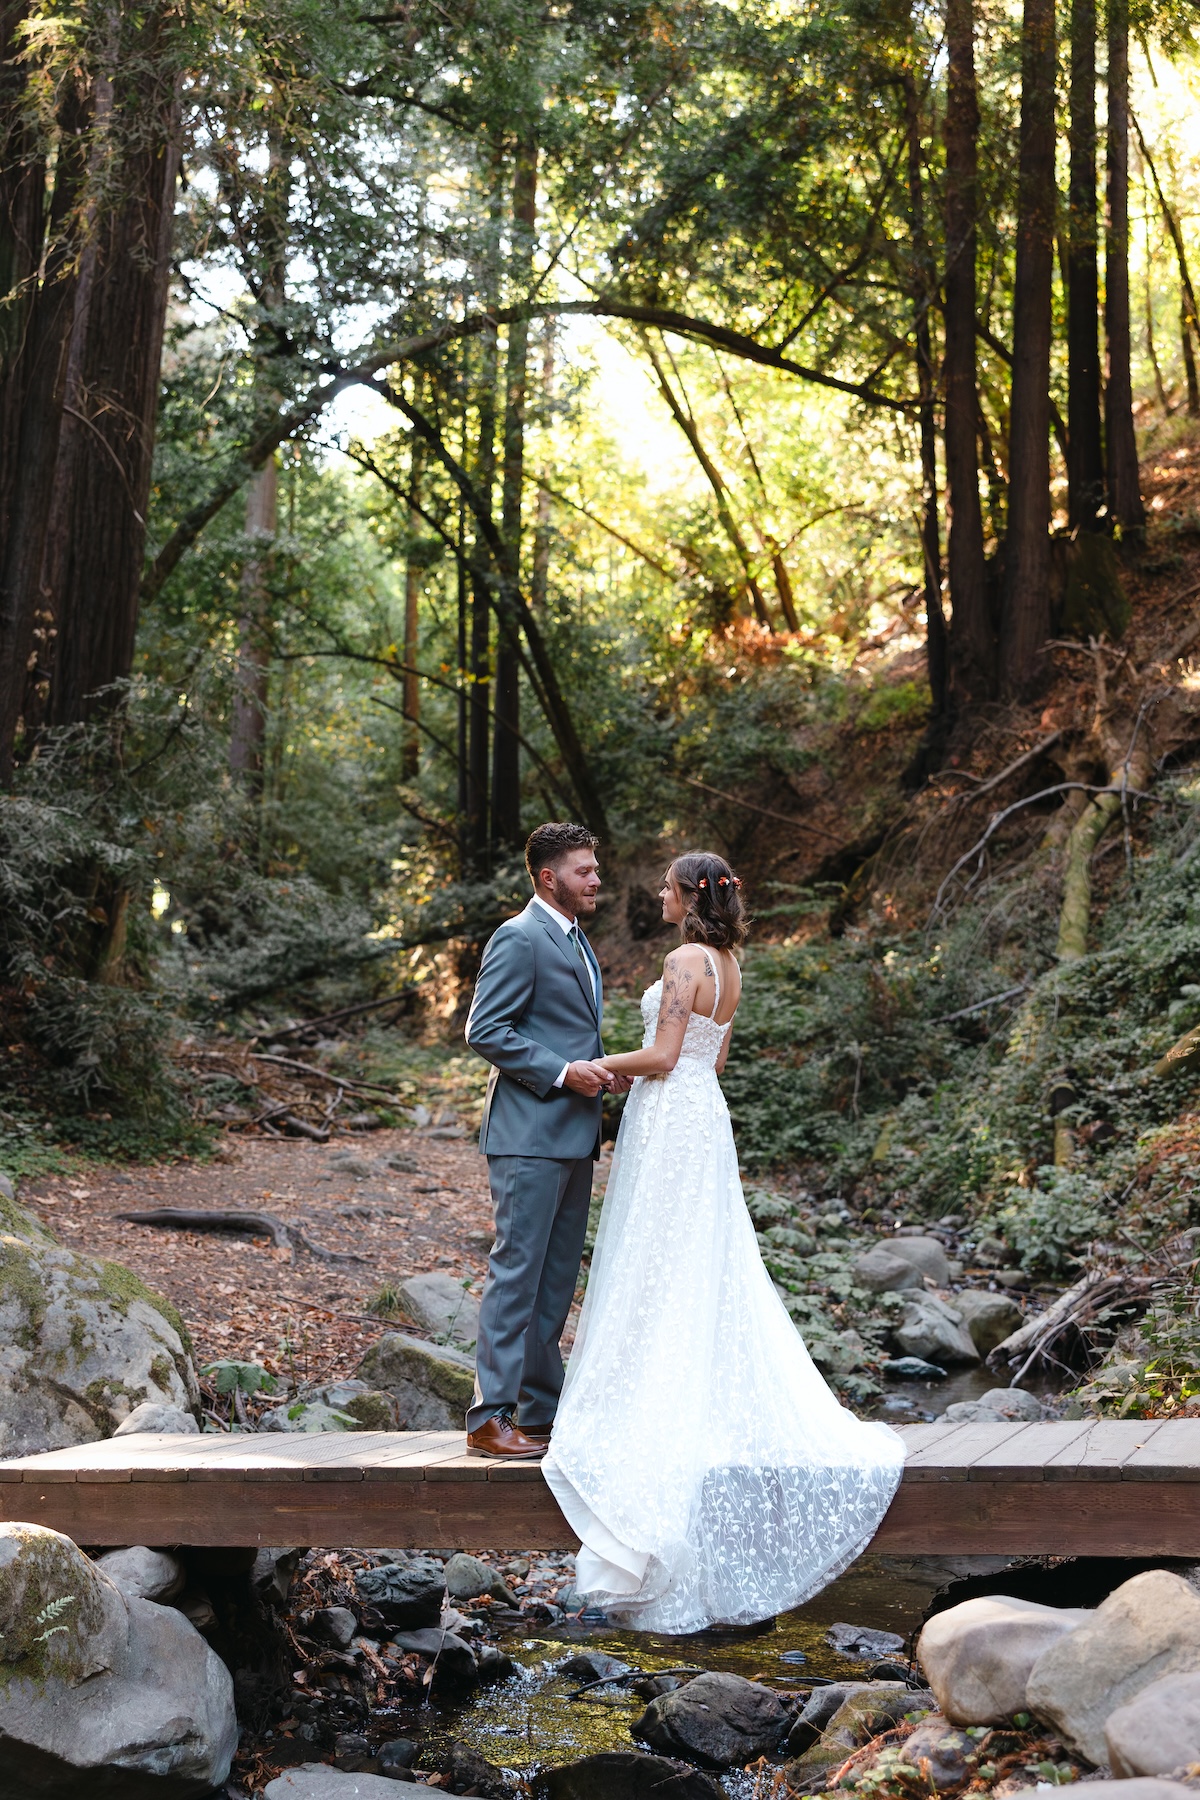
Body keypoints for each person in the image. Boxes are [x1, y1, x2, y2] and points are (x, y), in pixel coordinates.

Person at [542, 851, 905, 1632]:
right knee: (698, 1263)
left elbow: (666, 1058)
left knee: (658, 1262)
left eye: (667, 888)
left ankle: (651, 1408)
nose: (658, 896)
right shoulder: (730, 963)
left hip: (670, 1116)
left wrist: (593, 1065)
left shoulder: (682, 959)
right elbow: (712, 1059)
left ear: (688, 896)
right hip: (703, 1116)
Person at [463, 822, 627, 1459]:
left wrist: (598, 1071)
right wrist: (563, 1072)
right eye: (584, 871)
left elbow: (566, 1031)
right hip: (527, 1135)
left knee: (555, 1283)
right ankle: (489, 1417)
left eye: (594, 869)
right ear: (547, 878)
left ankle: (540, 1413)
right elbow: (485, 1029)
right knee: (516, 1275)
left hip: (574, 1136)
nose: (595, 880)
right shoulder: (519, 936)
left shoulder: (578, 941)